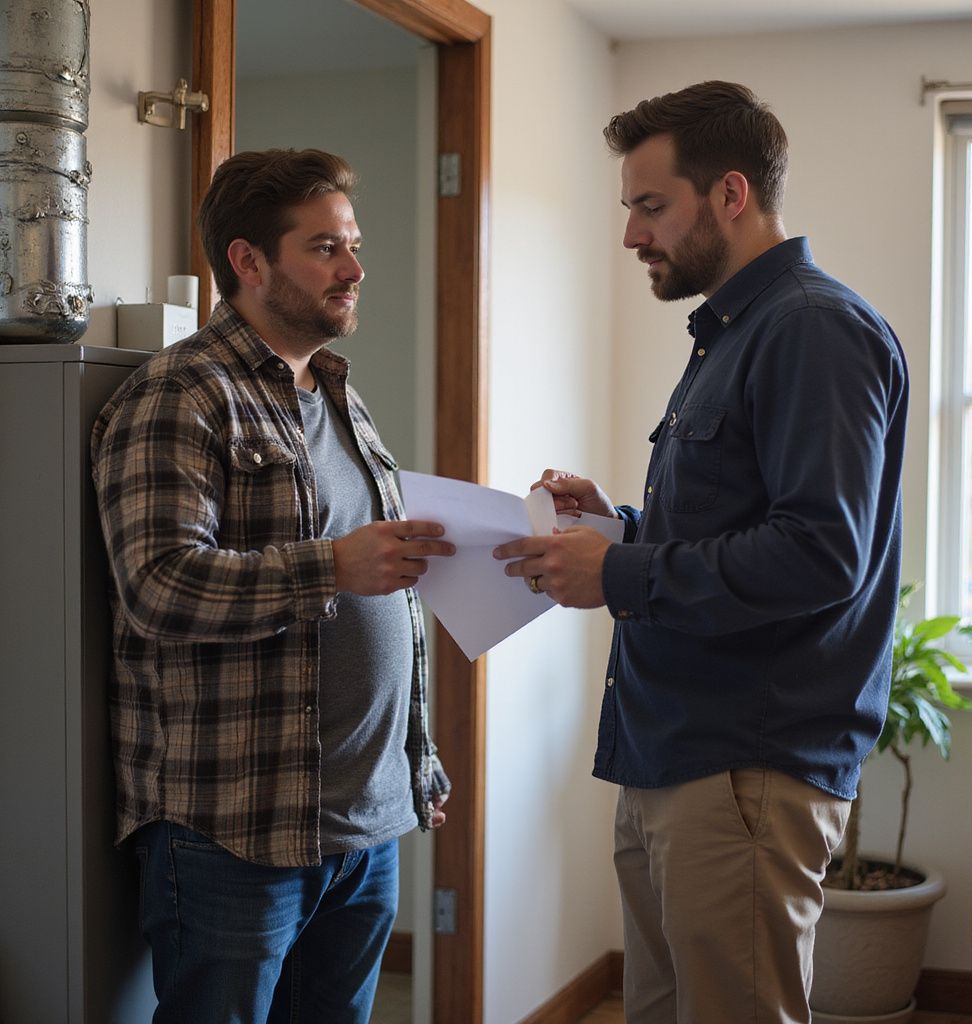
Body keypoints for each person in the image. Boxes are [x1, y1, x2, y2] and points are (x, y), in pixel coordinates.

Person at [494, 82, 908, 1024]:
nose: (633, 236)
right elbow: (744, 525)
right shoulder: (732, 333)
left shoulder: (810, 328)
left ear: (731, 195)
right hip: (676, 752)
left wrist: (622, 575)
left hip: (743, 762)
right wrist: (621, 528)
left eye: (651, 207)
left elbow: (819, 553)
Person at [91, 148, 454, 1024]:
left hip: (366, 828)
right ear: (249, 262)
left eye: (353, 245)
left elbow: (390, 602)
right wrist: (332, 565)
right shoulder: (180, 394)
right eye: (326, 247)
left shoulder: (338, 395)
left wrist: (418, 760)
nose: (355, 269)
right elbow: (157, 585)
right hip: (237, 831)